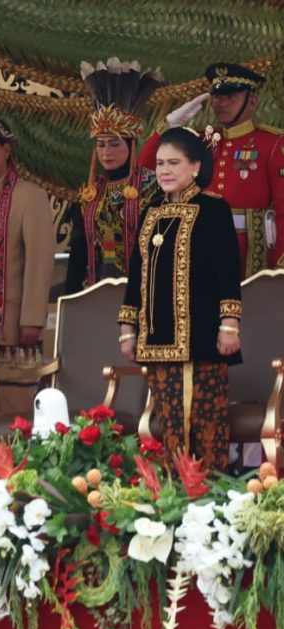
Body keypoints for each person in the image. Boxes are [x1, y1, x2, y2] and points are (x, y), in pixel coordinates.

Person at [119, 127, 242, 472]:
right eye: (160, 164)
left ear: (195, 167)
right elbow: (136, 273)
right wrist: (128, 328)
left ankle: (206, 495)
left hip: (201, 338)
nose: (164, 171)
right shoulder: (151, 212)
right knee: (170, 422)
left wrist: (229, 324)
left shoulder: (213, 209)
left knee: (203, 422)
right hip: (157, 339)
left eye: (174, 162)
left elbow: (227, 271)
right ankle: (174, 494)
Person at [139, 63, 283, 276]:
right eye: (217, 97)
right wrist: (169, 125)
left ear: (251, 101)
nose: (221, 103)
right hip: (199, 246)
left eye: (231, 97)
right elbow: (148, 162)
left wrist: (279, 266)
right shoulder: (201, 141)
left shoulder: (272, 143)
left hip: (249, 255)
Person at [0, 101, 55, 417]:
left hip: (13, 324)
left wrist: (32, 317)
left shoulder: (29, 195)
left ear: (7, 149)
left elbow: (40, 261)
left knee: (11, 410)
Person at [66, 59, 163, 293]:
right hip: (98, 287)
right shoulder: (91, 193)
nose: (106, 153)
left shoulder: (152, 186)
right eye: (100, 145)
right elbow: (79, 250)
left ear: (131, 144)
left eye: (113, 144)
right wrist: (71, 296)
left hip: (144, 288)